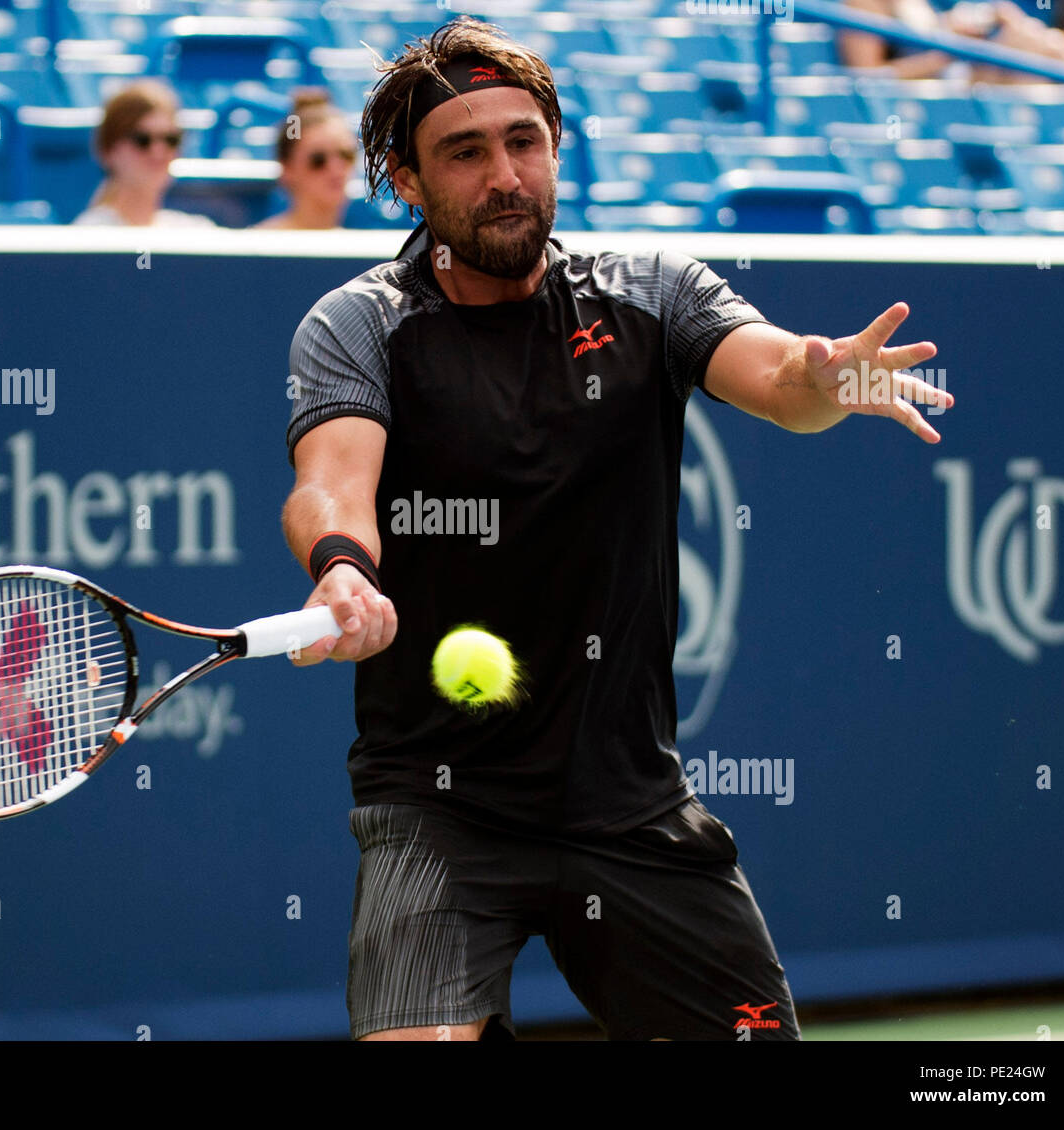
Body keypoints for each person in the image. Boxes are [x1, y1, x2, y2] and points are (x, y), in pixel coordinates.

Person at [281, 16, 953, 1042]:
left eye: (524, 141)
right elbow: (331, 480)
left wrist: (823, 381)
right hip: (438, 803)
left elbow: (779, 378)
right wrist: (340, 569)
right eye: (464, 151)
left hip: (626, 799)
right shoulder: (358, 322)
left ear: (554, 143)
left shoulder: (650, 291)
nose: (505, 174)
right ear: (405, 181)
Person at [73, 80, 215, 227]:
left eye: (171, 140)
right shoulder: (89, 234)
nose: (158, 152)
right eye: (142, 140)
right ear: (109, 150)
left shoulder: (195, 229)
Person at [840, 0, 1064, 80]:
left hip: (967, 82)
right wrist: (949, 53)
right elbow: (865, 79)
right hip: (921, 103)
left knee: (1043, 42)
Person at [253, 89, 358, 229]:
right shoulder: (258, 244)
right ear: (288, 168)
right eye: (318, 160)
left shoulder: (357, 246)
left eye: (346, 155)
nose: (336, 168)